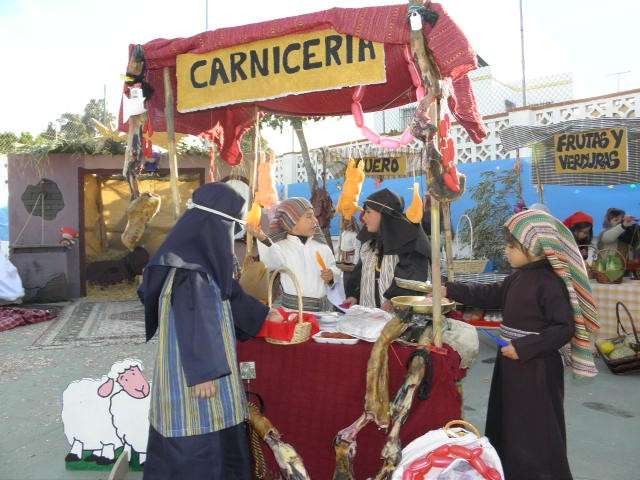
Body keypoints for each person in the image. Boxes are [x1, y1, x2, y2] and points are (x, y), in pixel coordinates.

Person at [442, 209, 599, 480]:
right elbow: (491, 294)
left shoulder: (550, 283)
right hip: (511, 365)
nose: (506, 250)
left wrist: (525, 348)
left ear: (534, 248)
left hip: (537, 369)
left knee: (536, 430)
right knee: (510, 424)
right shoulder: (518, 276)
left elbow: (564, 328)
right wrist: (451, 289)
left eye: (511, 246)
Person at [138, 183, 280, 480]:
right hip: (197, 375)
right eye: (231, 227)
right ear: (217, 225)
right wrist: (204, 372)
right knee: (200, 431)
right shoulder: (192, 269)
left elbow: (230, 295)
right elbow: (194, 315)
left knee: (211, 429)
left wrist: (264, 314)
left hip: (197, 364)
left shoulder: (195, 258)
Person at [248, 197, 342, 312]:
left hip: (323, 313)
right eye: (309, 216)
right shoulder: (281, 247)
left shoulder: (322, 247)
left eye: (314, 216)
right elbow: (272, 262)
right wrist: (263, 239)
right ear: (292, 221)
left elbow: (335, 270)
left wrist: (332, 275)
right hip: (294, 314)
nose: (315, 221)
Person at [345, 188, 430, 311]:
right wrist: (354, 295)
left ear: (384, 214)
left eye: (368, 212)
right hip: (369, 317)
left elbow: (413, 279)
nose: (363, 218)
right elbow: (360, 274)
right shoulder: (368, 244)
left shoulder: (408, 243)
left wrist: (393, 299)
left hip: (398, 318)